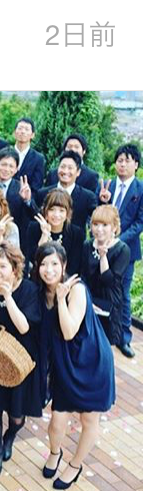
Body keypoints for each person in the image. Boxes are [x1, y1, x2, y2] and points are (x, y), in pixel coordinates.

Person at [35, 242, 115, 489]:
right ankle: (55, 452)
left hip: (91, 362)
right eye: (43, 264)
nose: (49, 269)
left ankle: (75, 464)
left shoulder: (76, 289)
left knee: (89, 420)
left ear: (64, 265)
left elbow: (69, 331)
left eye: (54, 264)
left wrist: (61, 300)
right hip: (64, 364)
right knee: (57, 421)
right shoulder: (39, 293)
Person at [0, 241, 42, 476]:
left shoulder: (28, 290)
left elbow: (24, 327)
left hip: (20, 361)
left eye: (2, 266)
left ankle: (10, 437)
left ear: (15, 269)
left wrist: (8, 297)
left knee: (16, 417)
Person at [98, 143, 143, 357]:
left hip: (126, 251)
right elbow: (97, 214)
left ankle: (124, 337)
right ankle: (103, 333)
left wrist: (116, 240)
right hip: (100, 248)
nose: (122, 164)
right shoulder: (107, 186)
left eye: (127, 160)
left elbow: (139, 222)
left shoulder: (140, 190)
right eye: (119, 160)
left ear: (136, 164)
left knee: (123, 294)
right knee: (100, 290)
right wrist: (101, 200)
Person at [80, 205, 130, 347]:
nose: (99, 229)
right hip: (89, 298)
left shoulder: (122, 249)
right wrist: (86, 301)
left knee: (105, 344)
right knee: (86, 340)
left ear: (114, 227)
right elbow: (83, 275)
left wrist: (103, 257)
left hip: (109, 301)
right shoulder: (87, 245)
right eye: (95, 224)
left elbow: (109, 281)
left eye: (104, 225)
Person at [27, 150, 96, 231]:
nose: (65, 171)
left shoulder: (87, 197)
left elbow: (98, 217)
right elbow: (35, 217)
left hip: (75, 238)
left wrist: (104, 201)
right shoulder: (43, 193)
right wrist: (27, 200)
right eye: (62, 167)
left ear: (78, 172)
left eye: (70, 168)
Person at [23, 189, 84, 276]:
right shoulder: (34, 228)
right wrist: (44, 236)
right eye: (52, 210)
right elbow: (34, 261)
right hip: (39, 277)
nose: (56, 215)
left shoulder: (76, 233)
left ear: (68, 213)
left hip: (65, 279)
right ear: (45, 210)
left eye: (61, 210)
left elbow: (74, 268)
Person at [12, 117, 45, 191]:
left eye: (27, 129)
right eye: (20, 128)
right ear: (14, 133)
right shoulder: (5, 154)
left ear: (32, 135)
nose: (23, 132)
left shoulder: (38, 158)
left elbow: (37, 186)